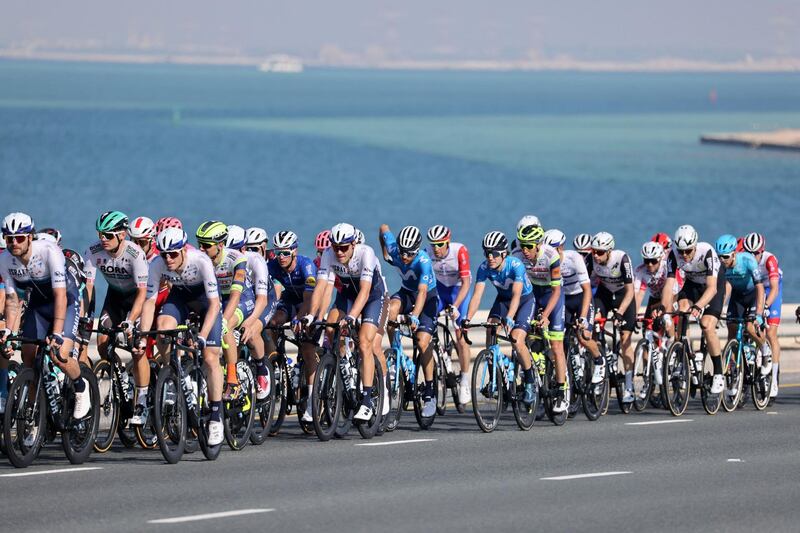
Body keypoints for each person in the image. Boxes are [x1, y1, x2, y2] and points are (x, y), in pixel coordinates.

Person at [136, 227, 225, 446]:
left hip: (206, 301)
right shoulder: (157, 264)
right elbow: (149, 301)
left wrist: (203, 336)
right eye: (164, 253)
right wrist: (143, 337)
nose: (168, 258)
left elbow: (214, 304)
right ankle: (174, 376)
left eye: (173, 254)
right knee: (162, 327)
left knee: (210, 357)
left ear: (184, 250)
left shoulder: (201, 261)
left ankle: (215, 416)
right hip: (181, 298)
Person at [0, 213, 91, 426]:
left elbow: (60, 295)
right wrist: (9, 332)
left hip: (65, 303)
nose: (14, 243)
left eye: (19, 238)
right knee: (29, 357)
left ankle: (80, 387)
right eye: (9, 238)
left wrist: (57, 333)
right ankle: (34, 416)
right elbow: (13, 301)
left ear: (30, 237)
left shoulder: (49, 252)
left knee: (59, 354)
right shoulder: (5, 260)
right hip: (38, 307)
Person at [306, 223, 388, 421]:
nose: (339, 252)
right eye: (336, 247)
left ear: (353, 244)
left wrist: (351, 317)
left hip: (372, 297)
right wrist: (312, 315)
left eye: (344, 247)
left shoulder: (365, 253)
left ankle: (368, 400)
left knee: (365, 342)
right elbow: (321, 287)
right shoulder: (328, 254)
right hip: (347, 296)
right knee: (330, 327)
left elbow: (366, 291)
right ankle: (343, 366)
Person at [83, 211, 150, 425]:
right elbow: (88, 288)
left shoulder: (135, 253)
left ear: (122, 235)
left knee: (138, 348)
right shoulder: (93, 251)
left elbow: (142, 292)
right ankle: (120, 373)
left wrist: (131, 320)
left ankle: (141, 399)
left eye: (109, 235)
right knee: (103, 344)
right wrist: (85, 316)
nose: (103, 239)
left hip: (136, 300)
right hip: (114, 299)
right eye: (101, 234)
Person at [196, 221, 271, 402]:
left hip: (243, 299)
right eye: (200, 245)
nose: (202, 249)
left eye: (206, 245)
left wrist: (250, 321)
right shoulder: (202, 260)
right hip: (219, 300)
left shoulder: (242, 259)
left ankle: (233, 379)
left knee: (226, 324)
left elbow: (240, 296)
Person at [463, 231, 537, 405]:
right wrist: (467, 318)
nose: (490, 257)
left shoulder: (515, 265)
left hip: (524, 300)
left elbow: (517, 294)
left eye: (494, 253)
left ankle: (529, 381)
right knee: (491, 328)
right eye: (487, 253)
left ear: (504, 254)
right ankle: (494, 378)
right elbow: (477, 295)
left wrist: (510, 317)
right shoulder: (484, 268)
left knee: (517, 340)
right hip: (503, 300)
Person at [380, 224, 438, 417]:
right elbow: (384, 228)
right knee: (390, 310)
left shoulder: (423, 261)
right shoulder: (395, 250)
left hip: (427, 298)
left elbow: (422, 292)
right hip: (406, 292)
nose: (404, 257)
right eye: (402, 252)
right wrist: (385, 255)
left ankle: (430, 393)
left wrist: (414, 315)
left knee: (422, 342)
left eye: (409, 254)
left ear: (417, 251)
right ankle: (396, 351)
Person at [661, 225, 726, 396]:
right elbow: (668, 285)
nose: (684, 255)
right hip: (692, 284)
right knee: (682, 310)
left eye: (688, 251)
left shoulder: (707, 252)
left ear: (695, 246)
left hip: (713, 284)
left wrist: (699, 306)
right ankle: (685, 354)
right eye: (681, 251)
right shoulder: (673, 254)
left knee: (706, 325)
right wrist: (663, 308)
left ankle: (719, 373)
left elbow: (712, 288)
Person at [513, 224, 568, 412]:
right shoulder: (518, 256)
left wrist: (545, 316)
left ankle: (561, 391)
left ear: (538, 244)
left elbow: (556, 291)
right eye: (522, 245)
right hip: (533, 294)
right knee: (526, 337)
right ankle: (532, 379)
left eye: (529, 246)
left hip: (552, 295)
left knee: (556, 345)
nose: (525, 250)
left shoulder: (551, 256)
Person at [268, 230, 318, 422]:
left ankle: (312, 401)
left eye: (285, 253)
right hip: (289, 299)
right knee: (272, 323)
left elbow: (309, 298)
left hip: (307, 301)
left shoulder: (307, 266)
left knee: (306, 347)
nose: (281, 257)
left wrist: (299, 318)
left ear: (294, 252)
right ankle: (277, 357)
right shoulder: (272, 265)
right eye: (277, 252)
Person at [543, 229, 604, 385]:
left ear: (560, 247)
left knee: (583, 335)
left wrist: (583, 317)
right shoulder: (546, 262)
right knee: (557, 341)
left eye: (552, 250)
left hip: (580, 297)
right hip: (563, 299)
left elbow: (587, 290)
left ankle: (599, 360)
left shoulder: (574, 258)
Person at [426, 224, 473, 405]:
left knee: (461, 337)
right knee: (427, 323)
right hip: (440, 291)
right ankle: (441, 355)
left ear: (448, 242)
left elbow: (466, 282)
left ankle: (465, 380)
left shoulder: (460, 251)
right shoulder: (427, 253)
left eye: (440, 244)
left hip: (458, 291)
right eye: (433, 244)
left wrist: (456, 305)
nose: (436, 248)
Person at [589, 231, 636, 404]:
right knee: (594, 321)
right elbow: (589, 284)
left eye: (600, 252)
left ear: (609, 251)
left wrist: (620, 312)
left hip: (624, 295)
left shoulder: (622, 259)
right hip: (605, 294)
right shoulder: (592, 260)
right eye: (594, 251)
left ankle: (630, 387)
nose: (595, 255)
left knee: (625, 338)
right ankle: (601, 360)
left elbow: (631, 291)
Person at [743, 232, 783, 400]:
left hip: (771, 290)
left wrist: (765, 306)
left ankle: (773, 379)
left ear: (762, 251)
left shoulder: (769, 259)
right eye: (749, 252)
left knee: (771, 333)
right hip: (756, 289)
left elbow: (773, 288)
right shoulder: (744, 259)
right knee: (748, 325)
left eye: (756, 253)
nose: (753, 256)